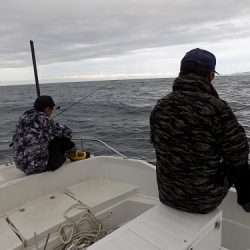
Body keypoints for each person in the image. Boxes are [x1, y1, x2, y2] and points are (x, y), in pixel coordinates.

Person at [150, 48, 250, 213]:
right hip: (203, 200)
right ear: (210, 76)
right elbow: (238, 155)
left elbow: (157, 144)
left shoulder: (160, 105)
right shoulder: (217, 107)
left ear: (181, 73)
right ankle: (247, 201)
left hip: (167, 194)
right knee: (240, 156)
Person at [11, 95, 75, 175]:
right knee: (63, 139)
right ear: (47, 108)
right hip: (37, 165)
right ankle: (72, 154)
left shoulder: (24, 116)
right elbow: (68, 132)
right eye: (51, 109)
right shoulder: (42, 119)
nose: (51, 112)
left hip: (20, 163)